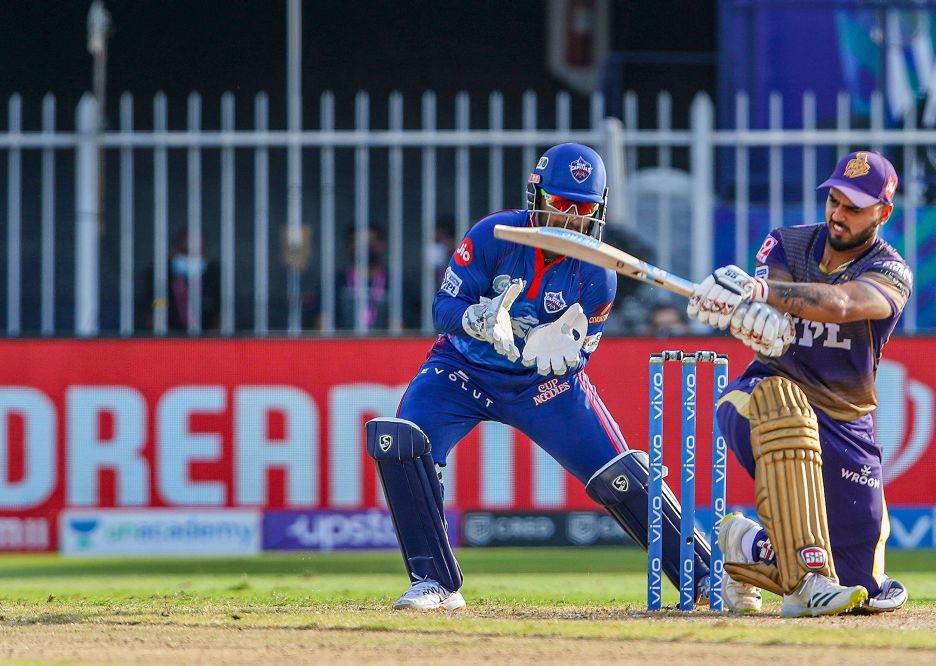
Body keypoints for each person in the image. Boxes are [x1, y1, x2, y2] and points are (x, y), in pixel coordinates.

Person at [366, 143, 721, 612]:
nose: (571, 219)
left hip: (540, 386)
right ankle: (435, 582)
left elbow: (583, 352)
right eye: (561, 204)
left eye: (584, 209)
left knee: (620, 473)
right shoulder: (494, 235)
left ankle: (703, 578)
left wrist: (561, 353)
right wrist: (476, 317)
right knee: (401, 441)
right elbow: (442, 309)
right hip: (462, 368)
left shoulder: (601, 272)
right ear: (537, 197)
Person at [687, 150, 911, 617]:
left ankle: (744, 545)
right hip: (761, 395)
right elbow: (768, 306)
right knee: (787, 415)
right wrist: (744, 310)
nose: (838, 214)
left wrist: (761, 293)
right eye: (834, 201)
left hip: (845, 422)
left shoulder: (892, 271)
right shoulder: (787, 244)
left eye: (854, 207)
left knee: (859, 587)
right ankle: (807, 581)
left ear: (883, 213)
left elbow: (846, 305)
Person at [137, 229, 221, 332]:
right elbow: (152, 316)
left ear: (206, 253)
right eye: (186, 252)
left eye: (199, 251)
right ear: (174, 251)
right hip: (167, 343)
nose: (192, 257)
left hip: (210, 343)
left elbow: (225, 315)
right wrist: (175, 343)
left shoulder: (214, 275)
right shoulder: (159, 274)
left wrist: (209, 342)